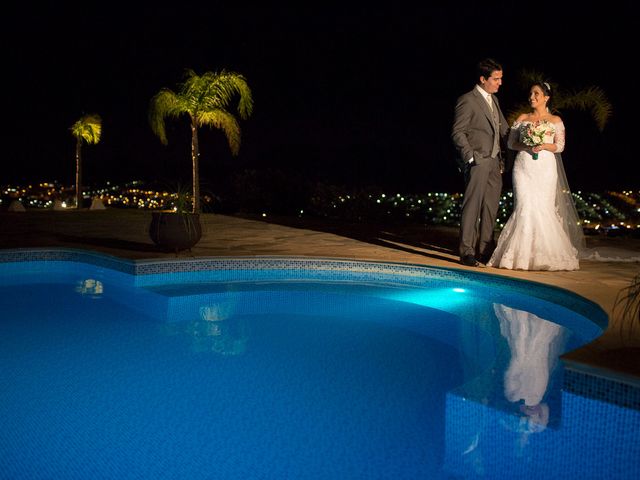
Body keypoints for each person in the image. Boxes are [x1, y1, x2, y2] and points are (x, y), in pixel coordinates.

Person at [487, 81, 583, 271]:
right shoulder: (523, 118)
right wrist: (528, 145)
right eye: (531, 93)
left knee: (543, 208)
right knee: (524, 206)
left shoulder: (555, 120)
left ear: (546, 97)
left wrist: (544, 145)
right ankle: (518, 257)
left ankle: (543, 256)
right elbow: (512, 144)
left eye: (536, 94)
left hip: (545, 168)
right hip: (524, 167)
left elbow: (560, 146)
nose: (532, 97)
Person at [452, 58, 509, 267]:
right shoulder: (467, 100)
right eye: (496, 79)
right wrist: (471, 156)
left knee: (490, 207)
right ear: (483, 79)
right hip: (477, 161)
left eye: (501, 78)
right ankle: (466, 251)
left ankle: (485, 250)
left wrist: (528, 137)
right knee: (472, 206)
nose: (500, 83)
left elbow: (504, 130)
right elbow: (458, 132)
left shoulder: (494, 100)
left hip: (495, 163)